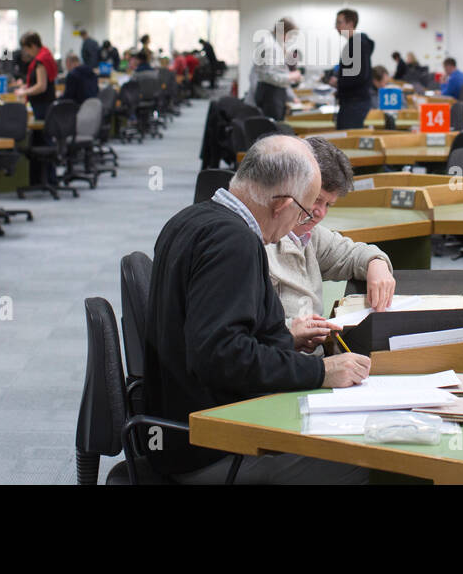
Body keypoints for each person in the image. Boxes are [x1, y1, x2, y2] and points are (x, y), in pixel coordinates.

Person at [144, 135, 371, 483]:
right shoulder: (233, 243)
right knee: (368, 458)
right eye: (305, 210)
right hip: (213, 447)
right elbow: (221, 357)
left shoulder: (191, 219)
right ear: (281, 203)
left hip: (177, 430)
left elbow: (207, 335)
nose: (303, 221)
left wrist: (283, 338)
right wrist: (321, 372)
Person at [267, 137, 396, 353]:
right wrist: (289, 333)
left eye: (328, 204)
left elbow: (353, 254)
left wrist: (377, 263)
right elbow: (239, 336)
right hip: (279, 363)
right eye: (316, 200)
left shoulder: (309, 235)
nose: (320, 213)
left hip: (312, 361)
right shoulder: (258, 243)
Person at [14, 32, 58, 184]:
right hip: (45, 105)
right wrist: (26, 86)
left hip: (42, 106)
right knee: (42, 141)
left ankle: (46, 179)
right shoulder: (46, 55)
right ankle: (42, 179)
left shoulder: (40, 61)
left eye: (26, 49)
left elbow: (41, 86)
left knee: (43, 141)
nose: (26, 53)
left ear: (32, 46)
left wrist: (24, 91)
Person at [251, 17, 302, 121]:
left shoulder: (275, 43)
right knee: (273, 128)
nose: (289, 40)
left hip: (273, 91)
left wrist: (292, 96)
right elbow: (270, 75)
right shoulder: (270, 45)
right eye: (290, 36)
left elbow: (277, 71)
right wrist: (291, 76)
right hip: (271, 93)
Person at [331, 8, 373, 130]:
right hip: (352, 101)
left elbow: (359, 75)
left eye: (339, 22)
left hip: (355, 103)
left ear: (350, 24)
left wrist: (338, 82)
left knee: (347, 140)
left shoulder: (357, 44)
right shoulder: (354, 43)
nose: (336, 26)